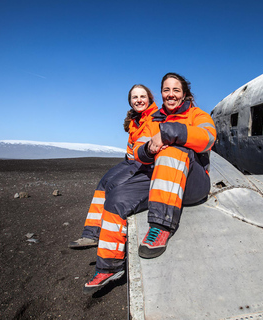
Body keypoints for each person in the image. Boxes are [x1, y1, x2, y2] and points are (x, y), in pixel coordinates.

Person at [83, 72, 216, 294]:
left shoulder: (197, 114)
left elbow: (208, 138)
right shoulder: (154, 119)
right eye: (166, 90)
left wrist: (169, 134)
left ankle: (161, 226)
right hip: (160, 178)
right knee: (116, 198)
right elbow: (138, 150)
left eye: (176, 90)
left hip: (192, 184)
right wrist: (147, 149)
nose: (171, 94)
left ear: (184, 94)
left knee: (173, 149)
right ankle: (109, 265)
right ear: (162, 93)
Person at [69, 84, 158, 248]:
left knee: (113, 186)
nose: (139, 100)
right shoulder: (135, 120)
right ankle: (90, 234)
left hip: (145, 162)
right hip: (131, 161)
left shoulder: (154, 117)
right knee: (103, 183)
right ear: (130, 102)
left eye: (142, 96)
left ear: (150, 99)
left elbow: (145, 142)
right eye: (135, 97)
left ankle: (111, 235)